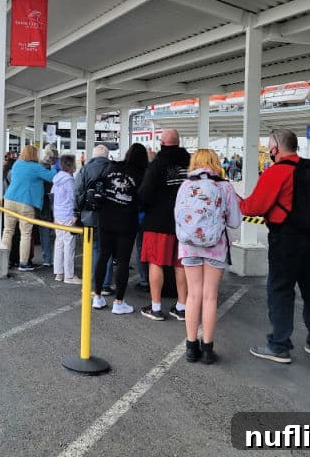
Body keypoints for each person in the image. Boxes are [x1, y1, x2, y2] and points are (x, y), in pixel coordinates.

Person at [240, 129, 310, 363]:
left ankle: (279, 345)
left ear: (276, 149)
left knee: (280, 290)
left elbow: (254, 207)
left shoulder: (277, 172)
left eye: (269, 147)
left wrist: (237, 201)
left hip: (287, 241)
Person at [175, 149, 241, 364]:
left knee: (193, 296)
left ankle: (191, 347)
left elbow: (177, 216)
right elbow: (234, 222)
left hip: (189, 247)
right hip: (216, 246)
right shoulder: (224, 187)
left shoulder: (185, 185)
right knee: (210, 297)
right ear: (215, 163)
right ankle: (208, 350)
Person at [138, 129, 190, 321]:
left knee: (156, 262)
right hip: (185, 224)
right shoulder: (189, 162)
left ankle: (156, 307)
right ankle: (182, 306)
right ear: (179, 142)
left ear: (161, 143)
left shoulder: (157, 164)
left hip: (159, 222)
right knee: (181, 264)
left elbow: (144, 194)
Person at [92, 143, 148, 314]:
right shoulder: (141, 174)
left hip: (105, 217)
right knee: (123, 261)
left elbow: (98, 186)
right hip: (127, 221)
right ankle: (118, 302)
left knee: (103, 255)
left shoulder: (111, 166)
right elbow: (144, 199)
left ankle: (98, 296)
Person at [2, 145, 56, 271]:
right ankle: (23, 263)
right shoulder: (36, 167)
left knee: (8, 231)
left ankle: (3, 261)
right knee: (25, 234)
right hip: (26, 203)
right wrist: (53, 167)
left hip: (9, 199)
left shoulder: (17, 164)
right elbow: (51, 177)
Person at [74, 144, 114, 295]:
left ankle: (92, 283)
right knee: (107, 249)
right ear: (107, 155)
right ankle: (105, 285)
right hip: (109, 215)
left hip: (89, 215)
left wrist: (77, 211)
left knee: (91, 248)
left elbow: (77, 191)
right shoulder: (114, 168)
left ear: (94, 155)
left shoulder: (85, 169)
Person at [52, 154, 81, 284]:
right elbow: (73, 198)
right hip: (68, 214)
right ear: (70, 165)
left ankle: (58, 273)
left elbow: (52, 197)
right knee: (69, 244)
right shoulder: (69, 180)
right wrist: (76, 214)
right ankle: (69, 276)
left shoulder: (56, 178)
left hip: (58, 214)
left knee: (59, 243)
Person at [37, 146, 58, 267]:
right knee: (59, 231)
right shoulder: (59, 169)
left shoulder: (39, 168)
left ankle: (47, 259)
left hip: (43, 201)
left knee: (44, 229)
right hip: (56, 201)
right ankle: (57, 259)